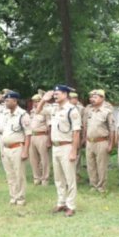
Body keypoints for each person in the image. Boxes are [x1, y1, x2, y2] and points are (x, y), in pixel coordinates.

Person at [36, 85, 81, 216]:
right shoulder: (54, 108)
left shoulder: (72, 110)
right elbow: (38, 111)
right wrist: (44, 100)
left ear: (65, 95)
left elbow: (76, 132)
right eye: (54, 94)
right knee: (58, 178)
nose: (55, 96)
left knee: (70, 178)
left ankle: (71, 205)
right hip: (55, 147)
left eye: (58, 94)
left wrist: (74, 151)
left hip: (67, 146)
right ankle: (61, 202)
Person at [0, 91, 31, 206]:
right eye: (5, 100)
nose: (5, 102)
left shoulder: (23, 114)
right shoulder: (6, 113)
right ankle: (13, 195)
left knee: (19, 173)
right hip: (6, 148)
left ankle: (20, 197)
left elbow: (28, 134)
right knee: (9, 174)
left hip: (17, 148)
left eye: (8, 100)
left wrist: (25, 151)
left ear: (15, 101)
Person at [82, 89, 115, 194]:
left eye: (95, 97)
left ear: (102, 98)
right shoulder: (89, 111)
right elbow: (85, 127)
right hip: (90, 142)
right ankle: (93, 185)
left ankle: (101, 186)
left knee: (101, 165)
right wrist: (84, 138)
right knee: (90, 164)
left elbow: (112, 129)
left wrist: (111, 144)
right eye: (92, 97)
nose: (92, 99)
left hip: (102, 142)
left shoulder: (107, 112)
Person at [27, 92, 51, 186]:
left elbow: (49, 126)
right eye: (34, 101)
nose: (35, 103)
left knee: (44, 159)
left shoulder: (46, 111)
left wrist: (49, 140)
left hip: (42, 136)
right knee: (33, 159)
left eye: (37, 101)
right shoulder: (32, 112)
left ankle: (45, 178)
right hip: (32, 136)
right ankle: (36, 177)